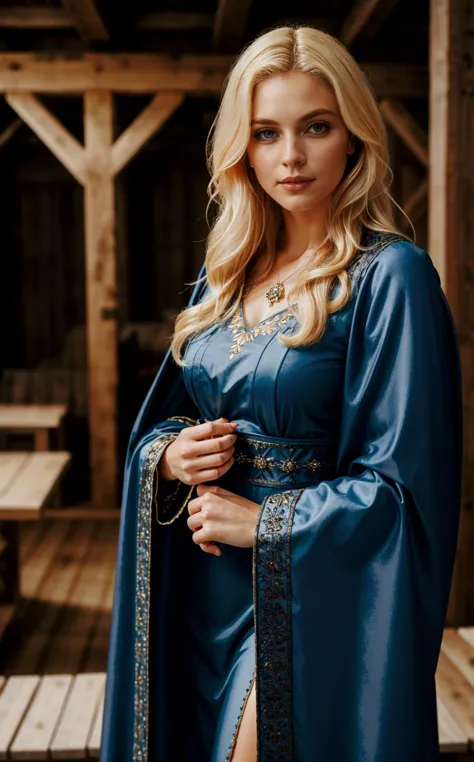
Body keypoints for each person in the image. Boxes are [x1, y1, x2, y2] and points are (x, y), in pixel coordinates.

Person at [99, 24, 463, 762]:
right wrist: (170, 458)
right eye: (266, 132)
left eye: (316, 128)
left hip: (310, 592)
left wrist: (266, 523)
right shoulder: (225, 272)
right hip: (199, 589)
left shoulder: (391, 278)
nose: (290, 156)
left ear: (354, 137)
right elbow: (170, 419)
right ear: (243, 146)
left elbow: (402, 491)